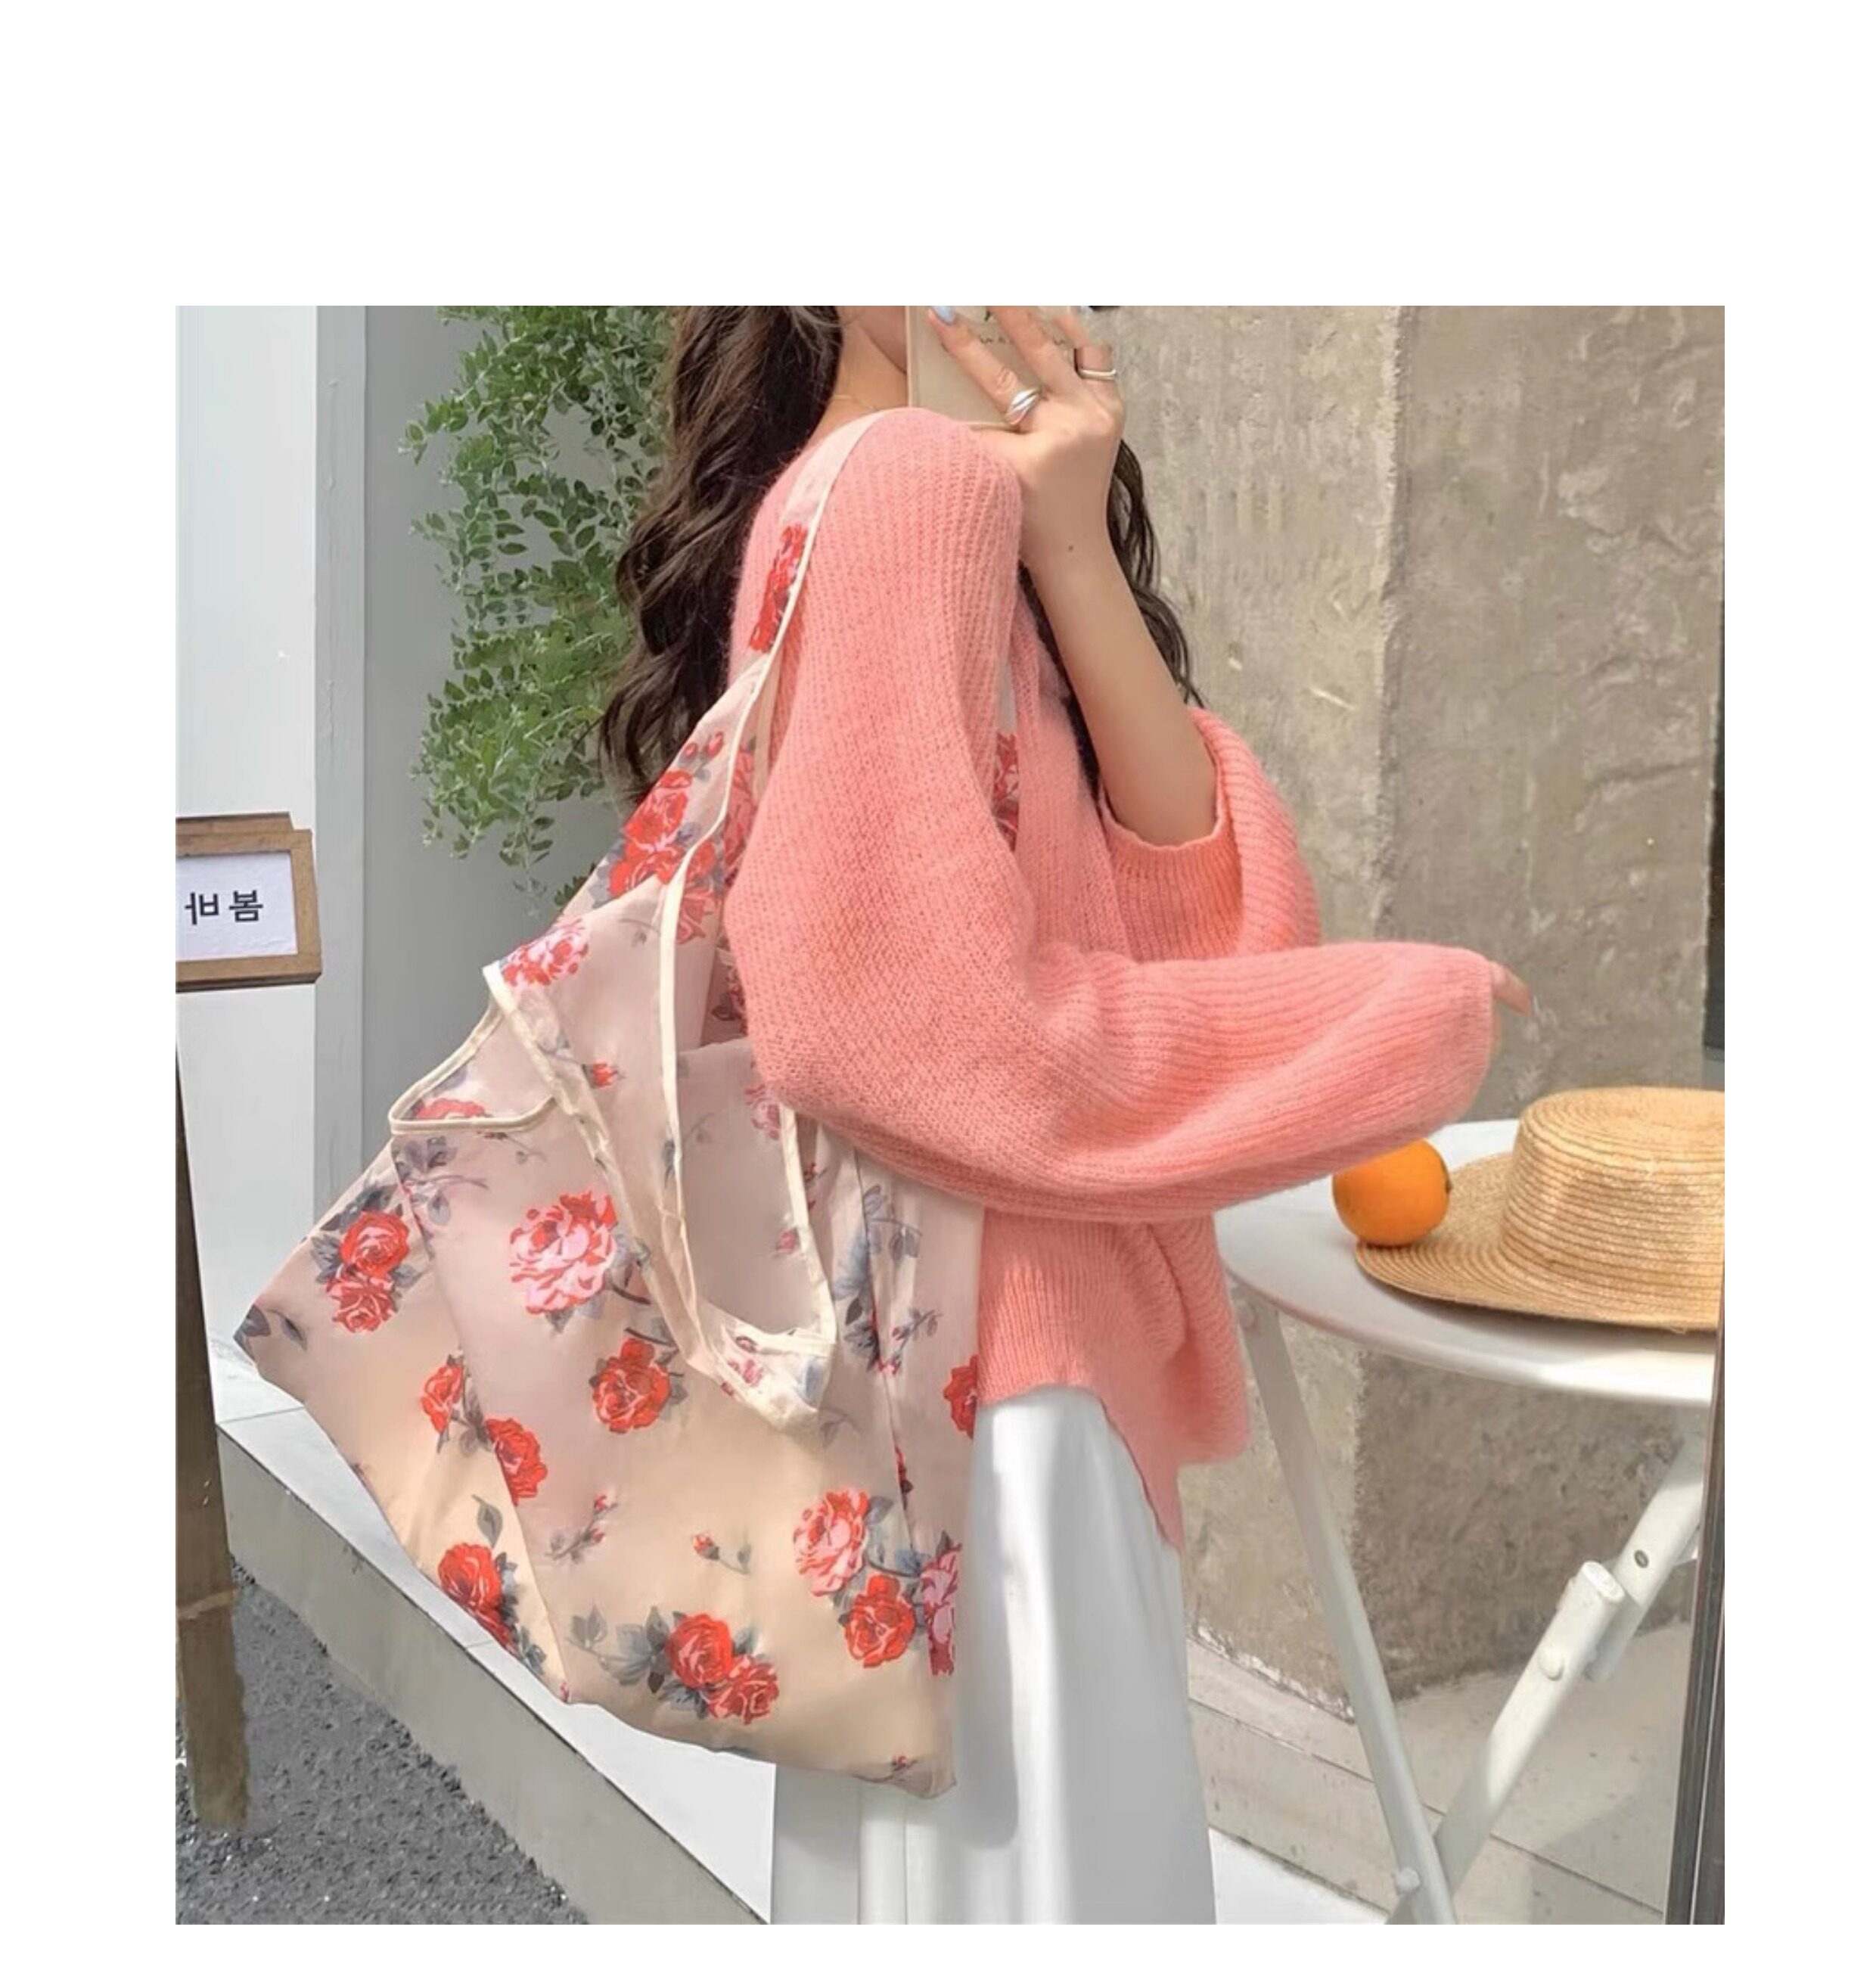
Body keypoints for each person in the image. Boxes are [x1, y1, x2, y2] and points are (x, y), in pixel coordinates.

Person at [600, 306, 1533, 1923]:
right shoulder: (901, 486)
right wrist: (1391, 1020)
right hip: (996, 1407)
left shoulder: (947, 498)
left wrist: (1071, 544)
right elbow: (906, 1024)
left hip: (978, 1387)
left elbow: (1211, 935)